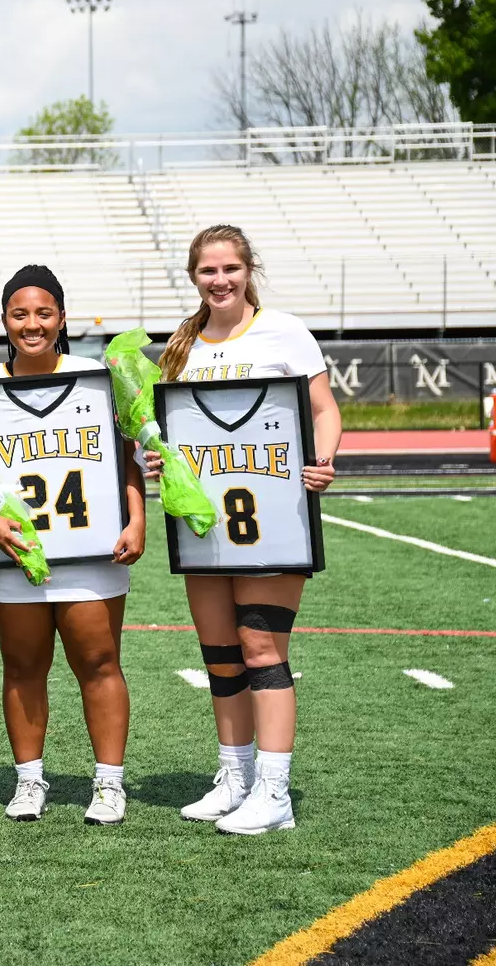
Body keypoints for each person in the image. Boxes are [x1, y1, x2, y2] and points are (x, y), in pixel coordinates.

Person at [151, 225, 339, 835]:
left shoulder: (284, 331)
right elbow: (169, 433)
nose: (220, 280)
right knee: (222, 657)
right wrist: (153, 460)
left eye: (230, 268)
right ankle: (234, 778)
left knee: (263, 650)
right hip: (206, 526)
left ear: (248, 269)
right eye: (208, 271)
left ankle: (274, 790)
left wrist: (325, 459)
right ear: (193, 277)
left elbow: (323, 410)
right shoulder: (181, 347)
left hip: (276, 520)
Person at [0, 265, 147, 825]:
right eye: (19, 314)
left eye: (43, 313)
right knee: (22, 665)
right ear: (4, 320)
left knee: (100, 661)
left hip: (91, 549)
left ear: (62, 318)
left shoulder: (96, 378)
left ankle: (109, 784)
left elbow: (128, 456)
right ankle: (30, 780)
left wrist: (137, 520)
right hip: (16, 551)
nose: (31, 324)